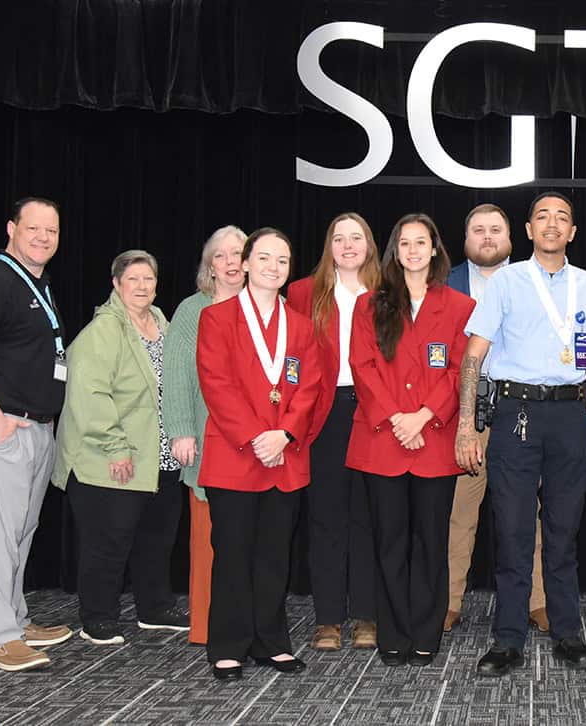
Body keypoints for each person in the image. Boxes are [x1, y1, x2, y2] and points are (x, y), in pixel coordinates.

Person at [456, 192, 586, 677]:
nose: (552, 225)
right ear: (528, 230)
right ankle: (508, 639)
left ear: (573, 233)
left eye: (562, 218)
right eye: (542, 217)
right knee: (512, 531)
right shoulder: (506, 282)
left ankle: (568, 633)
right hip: (515, 414)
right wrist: (468, 424)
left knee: (564, 534)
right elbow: (472, 356)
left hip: (571, 416)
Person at [345, 213, 475, 667]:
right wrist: (397, 418)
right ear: (394, 251)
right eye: (405, 243)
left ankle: (426, 633)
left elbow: (460, 371)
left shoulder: (459, 307)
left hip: (434, 441)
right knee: (389, 542)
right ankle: (393, 634)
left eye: (422, 242)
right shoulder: (369, 305)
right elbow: (362, 367)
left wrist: (422, 416)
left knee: (430, 543)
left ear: (436, 249)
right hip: (383, 440)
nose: (414, 250)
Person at [196, 227, 321, 681]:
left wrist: (284, 434)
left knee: (273, 555)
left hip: (284, 457)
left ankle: (271, 642)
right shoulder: (217, 319)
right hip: (236, 455)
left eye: (282, 261)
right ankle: (227, 645)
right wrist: (256, 437)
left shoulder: (302, 326)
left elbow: (309, 386)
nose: (273, 267)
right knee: (232, 552)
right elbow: (217, 384)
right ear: (245, 264)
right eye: (264, 258)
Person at [0, 197, 73, 672]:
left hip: (35, 430)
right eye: (33, 229)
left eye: (52, 231)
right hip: (0, 428)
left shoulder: (37, 287)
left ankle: (16, 619)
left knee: (19, 534)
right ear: (11, 229)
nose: (43, 238)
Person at [52, 250, 188, 644]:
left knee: (155, 541)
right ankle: (97, 616)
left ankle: (155, 608)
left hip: (159, 459)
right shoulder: (103, 333)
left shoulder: (162, 324)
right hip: (112, 459)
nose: (142, 287)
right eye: (133, 279)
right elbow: (89, 396)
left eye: (149, 279)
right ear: (116, 284)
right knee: (107, 544)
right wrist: (116, 448)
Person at [444, 204, 548, 634]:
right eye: (478, 230)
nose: (487, 237)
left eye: (495, 229)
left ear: (512, 236)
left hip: (518, 413)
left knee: (529, 512)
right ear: (465, 239)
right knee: (457, 513)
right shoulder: (441, 286)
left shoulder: (536, 282)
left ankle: (537, 600)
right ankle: (448, 600)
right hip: (460, 414)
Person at [286, 213, 381, 652]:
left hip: (373, 412)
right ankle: (328, 619)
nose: (347, 245)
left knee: (368, 518)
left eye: (355, 237)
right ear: (329, 246)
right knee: (326, 519)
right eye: (338, 238)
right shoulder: (304, 293)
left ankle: (366, 615)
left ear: (369, 244)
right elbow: (291, 357)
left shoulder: (387, 291)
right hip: (324, 413)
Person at [165, 224, 247, 646]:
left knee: (252, 544)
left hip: (256, 449)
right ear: (209, 265)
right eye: (222, 255)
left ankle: (246, 626)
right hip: (204, 439)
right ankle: (206, 628)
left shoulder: (271, 306)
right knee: (208, 541)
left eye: (239, 253)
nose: (232, 262)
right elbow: (176, 374)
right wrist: (179, 430)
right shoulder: (190, 311)